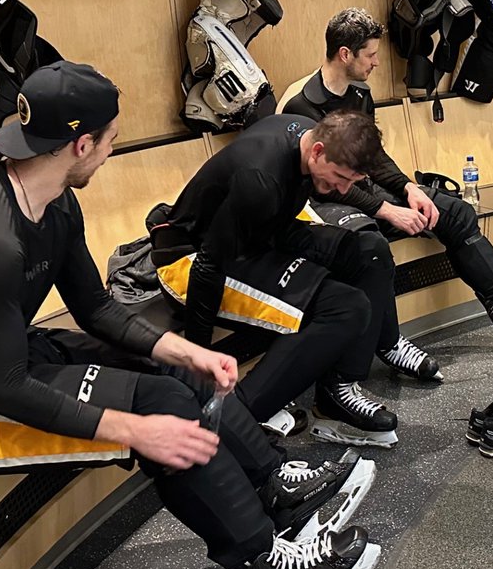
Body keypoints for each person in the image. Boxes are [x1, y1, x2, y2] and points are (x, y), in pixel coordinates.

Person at [0, 62, 380, 569]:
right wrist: (135, 431)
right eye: (109, 140)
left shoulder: (56, 201)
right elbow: (7, 388)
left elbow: (97, 311)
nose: (111, 151)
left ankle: (273, 491)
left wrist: (185, 351)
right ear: (80, 143)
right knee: (161, 410)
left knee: (169, 372)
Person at [277, 7, 493, 358]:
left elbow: (374, 157)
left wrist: (409, 189)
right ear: (345, 54)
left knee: (455, 212)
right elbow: (326, 180)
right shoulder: (302, 104)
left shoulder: (359, 93)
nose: (376, 63)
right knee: (370, 244)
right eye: (370, 55)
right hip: (327, 201)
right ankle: (390, 344)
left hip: (363, 187)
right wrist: (388, 210)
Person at [151, 109, 403, 449]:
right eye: (340, 177)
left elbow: (275, 219)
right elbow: (209, 267)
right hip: (191, 260)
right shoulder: (260, 179)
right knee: (346, 308)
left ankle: (336, 394)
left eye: (351, 183)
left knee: (369, 251)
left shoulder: (306, 133)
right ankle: (230, 427)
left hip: (263, 233)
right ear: (317, 152)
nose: (343, 188)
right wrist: (198, 363)